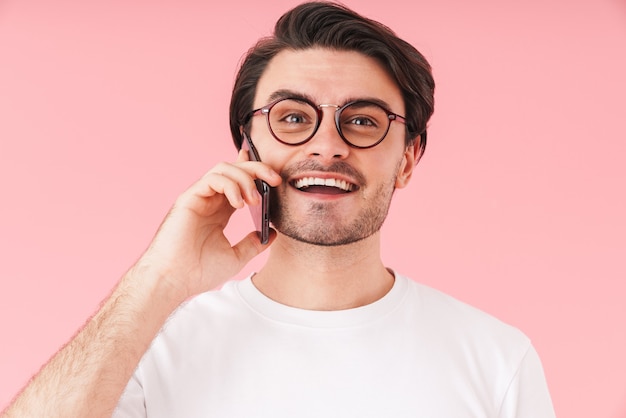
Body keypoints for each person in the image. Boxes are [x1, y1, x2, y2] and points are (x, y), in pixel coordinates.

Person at [1, 2, 556, 417]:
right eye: (292, 117)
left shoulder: (496, 359)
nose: (327, 146)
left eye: (362, 120)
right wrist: (159, 278)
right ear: (248, 149)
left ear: (408, 159)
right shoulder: (150, 347)